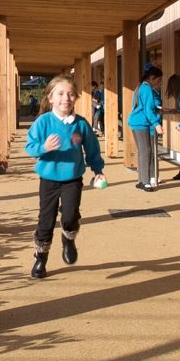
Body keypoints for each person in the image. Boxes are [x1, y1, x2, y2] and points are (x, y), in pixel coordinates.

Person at [24, 75, 105, 279]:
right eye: (60, 94)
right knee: (46, 220)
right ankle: (40, 258)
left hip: (72, 179)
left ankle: (68, 239)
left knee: (69, 215)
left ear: (75, 98)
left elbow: (92, 149)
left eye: (70, 94)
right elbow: (30, 147)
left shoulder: (81, 124)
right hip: (49, 179)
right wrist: (44, 148)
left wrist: (97, 171)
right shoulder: (43, 121)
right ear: (51, 98)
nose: (65, 98)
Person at [127, 65, 164, 192]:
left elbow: (138, 105)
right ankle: (146, 181)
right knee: (146, 152)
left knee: (142, 152)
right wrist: (157, 124)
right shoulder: (147, 89)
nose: (158, 83)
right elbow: (148, 109)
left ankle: (142, 180)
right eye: (158, 81)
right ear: (152, 78)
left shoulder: (139, 87)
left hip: (136, 121)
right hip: (142, 123)